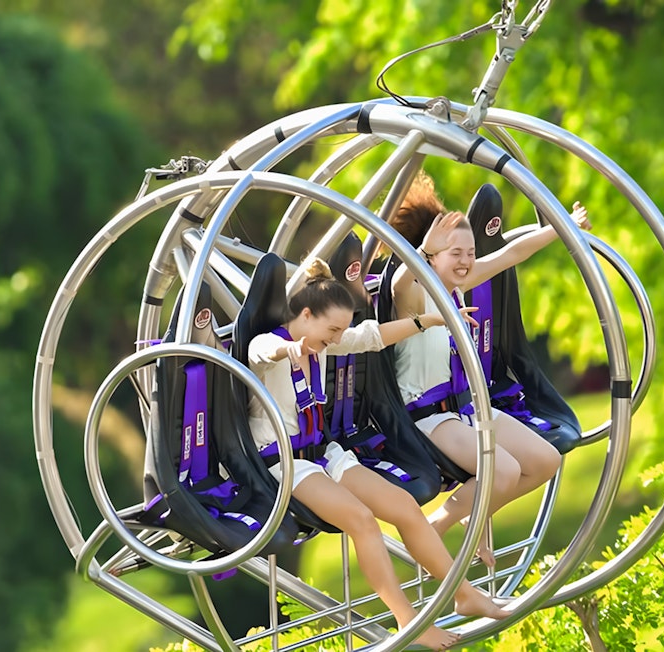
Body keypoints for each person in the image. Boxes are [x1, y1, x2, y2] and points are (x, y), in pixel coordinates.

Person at [246, 258, 507, 651]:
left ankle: (463, 592)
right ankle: (408, 621)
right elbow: (263, 350)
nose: (336, 340)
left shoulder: (325, 341)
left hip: (324, 453)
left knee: (404, 506)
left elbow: (374, 336)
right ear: (305, 314)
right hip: (284, 462)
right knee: (363, 521)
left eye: (339, 331)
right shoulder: (270, 346)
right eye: (331, 329)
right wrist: (291, 348)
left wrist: (431, 321)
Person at [387, 173, 592, 567]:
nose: (466, 262)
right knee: (505, 470)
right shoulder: (414, 295)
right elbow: (400, 283)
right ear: (431, 256)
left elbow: (510, 255)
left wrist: (563, 227)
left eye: (469, 252)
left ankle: (472, 511)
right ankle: (437, 524)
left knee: (546, 461)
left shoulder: (457, 284)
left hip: (465, 408)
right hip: (426, 416)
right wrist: (424, 253)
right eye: (455, 253)